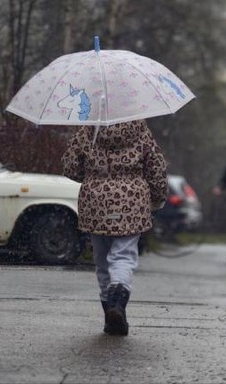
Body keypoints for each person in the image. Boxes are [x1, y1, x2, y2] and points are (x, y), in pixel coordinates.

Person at [62, 119, 168, 336]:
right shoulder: (139, 128)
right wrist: (157, 197)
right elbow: (156, 168)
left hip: (96, 202)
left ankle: (111, 317)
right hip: (131, 201)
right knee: (123, 256)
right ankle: (117, 304)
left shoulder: (89, 128)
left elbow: (70, 167)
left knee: (101, 259)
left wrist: (94, 176)